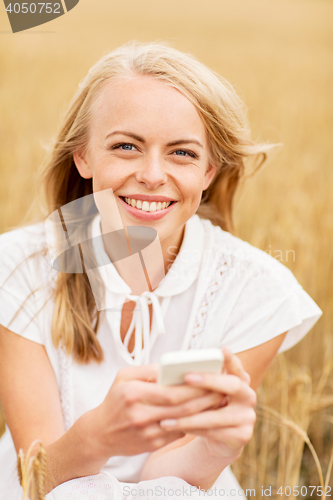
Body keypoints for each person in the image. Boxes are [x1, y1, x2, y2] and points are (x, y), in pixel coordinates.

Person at [0, 42, 322, 500]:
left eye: (182, 154)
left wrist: (215, 449)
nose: (153, 175)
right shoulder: (18, 269)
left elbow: (172, 475)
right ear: (83, 155)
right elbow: (37, 480)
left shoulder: (257, 290)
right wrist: (100, 436)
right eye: (126, 146)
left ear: (210, 170)